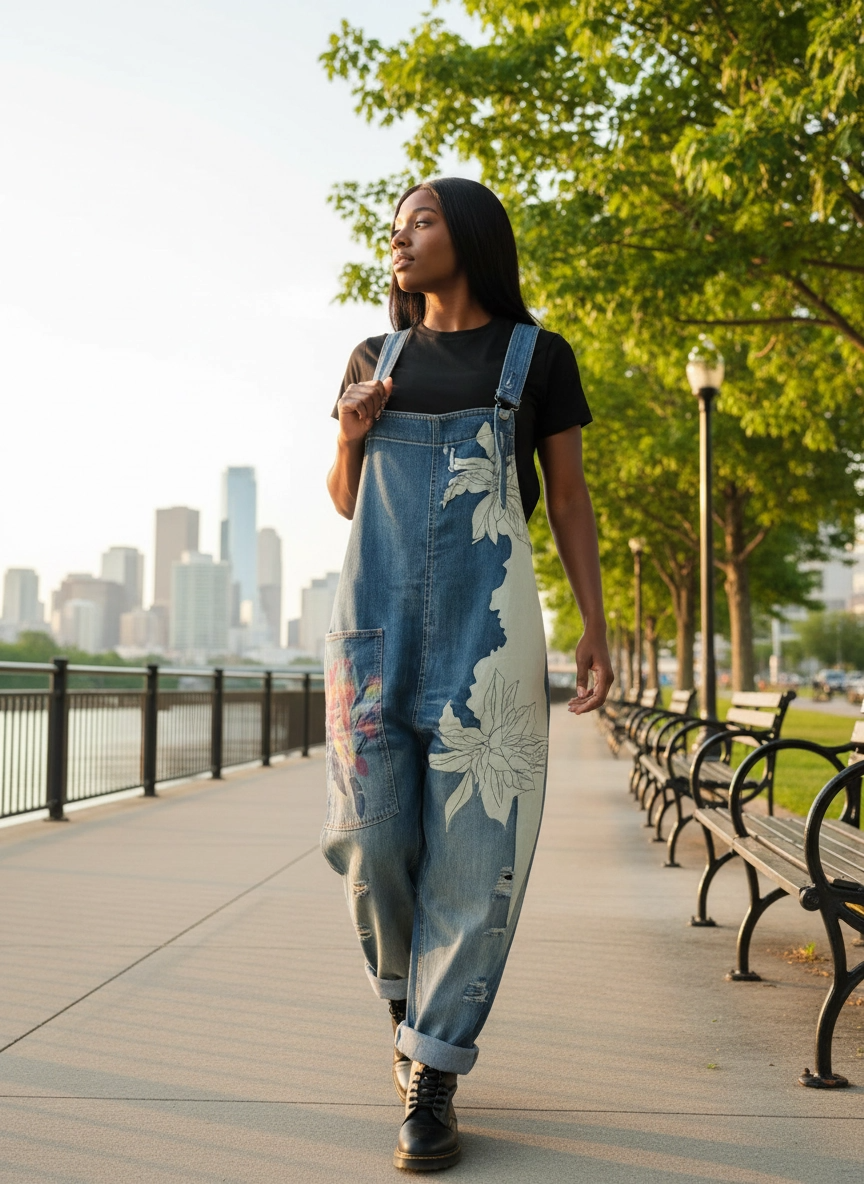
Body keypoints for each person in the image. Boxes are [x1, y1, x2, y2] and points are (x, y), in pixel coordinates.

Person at [323, 177, 612, 1172]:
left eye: (422, 222)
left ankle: (434, 1074)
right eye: (394, 229)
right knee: (370, 842)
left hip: (489, 642)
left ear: (473, 236)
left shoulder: (538, 359)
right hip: (370, 633)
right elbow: (344, 499)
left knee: (475, 853)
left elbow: (568, 498)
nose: (400, 239)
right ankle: (410, 1013)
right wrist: (350, 430)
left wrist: (594, 625)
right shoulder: (377, 356)